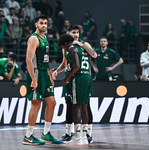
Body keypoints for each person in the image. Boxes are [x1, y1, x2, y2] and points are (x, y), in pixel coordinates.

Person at [52, 25, 97, 144]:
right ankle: (69, 133)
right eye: (73, 32)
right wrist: (57, 71)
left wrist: (83, 45)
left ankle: (86, 133)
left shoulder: (83, 44)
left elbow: (94, 55)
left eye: (77, 32)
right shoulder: (66, 47)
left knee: (83, 106)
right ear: (68, 34)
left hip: (78, 76)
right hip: (72, 77)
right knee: (70, 105)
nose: (76, 34)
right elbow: (64, 63)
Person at [22, 14, 62, 145]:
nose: (44, 25)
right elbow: (28, 60)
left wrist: (49, 76)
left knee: (52, 103)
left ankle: (46, 134)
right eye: (41, 23)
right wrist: (33, 78)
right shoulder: (34, 38)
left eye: (45, 23)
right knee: (36, 104)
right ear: (36, 24)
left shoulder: (44, 37)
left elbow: (45, 59)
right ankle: (28, 136)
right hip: (36, 73)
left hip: (44, 74)